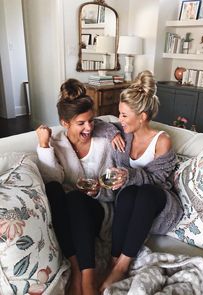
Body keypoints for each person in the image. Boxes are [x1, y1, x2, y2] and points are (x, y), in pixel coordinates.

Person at [36, 78, 125, 295]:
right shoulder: (57, 143)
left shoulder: (104, 142)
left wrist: (98, 191)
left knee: (76, 198)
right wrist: (43, 145)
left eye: (91, 121)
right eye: (81, 123)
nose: (89, 128)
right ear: (65, 123)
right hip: (68, 216)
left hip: (97, 210)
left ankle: (87, 278)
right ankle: (76, 269)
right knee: (55, 190)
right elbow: (53, 178)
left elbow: (114, 186)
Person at [100, 70, 184, 292]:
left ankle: (122, 266)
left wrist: (129, 175)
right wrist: (112, 133)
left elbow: (157, 181)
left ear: (142, 117)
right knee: (127, 194)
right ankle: (114, 258)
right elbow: (101, 123)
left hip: (157, 205)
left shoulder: (161, 141)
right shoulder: (125, 132)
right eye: (120, 114)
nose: (120, 119)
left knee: (143, 191)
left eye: (125, 115)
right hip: (131, 204)